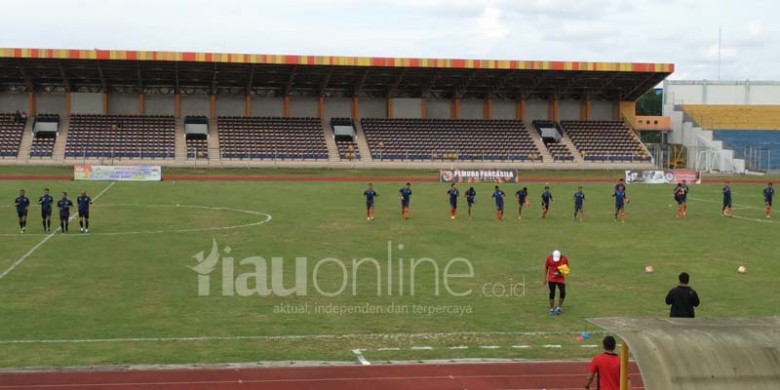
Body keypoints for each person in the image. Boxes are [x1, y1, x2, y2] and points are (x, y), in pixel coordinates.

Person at [543, 249, 568, 316]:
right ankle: (551, 309)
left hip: (560, 279)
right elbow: (546, 268)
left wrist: (559, 273)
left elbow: (566, 270)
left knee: (563, 292)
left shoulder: (564, 259)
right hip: (551, 279)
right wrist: (545, 278)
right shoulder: (549, 259)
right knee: (552, 293)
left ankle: (559, 307)